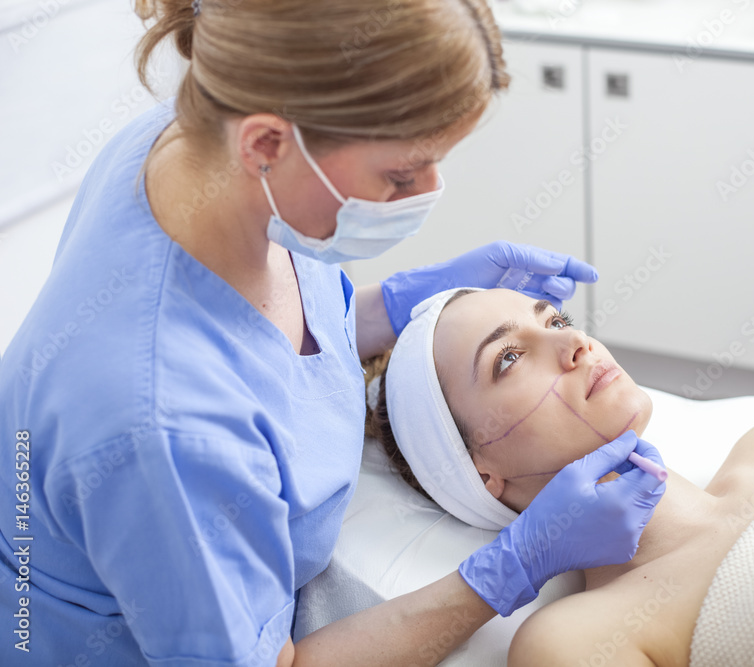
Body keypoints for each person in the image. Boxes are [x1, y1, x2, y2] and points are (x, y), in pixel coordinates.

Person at [0, 2, 667, 665]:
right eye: (402, 175)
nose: (429, 190)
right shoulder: (165, 425)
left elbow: (279, 341)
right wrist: (516, 565)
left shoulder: (199, 149)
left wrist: (396, 301)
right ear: (265, 143)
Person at [370, 287, 754, 666]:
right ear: (482, 474)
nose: (576, 344)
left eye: (555, 320)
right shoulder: (575, 639)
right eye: (509, 358)